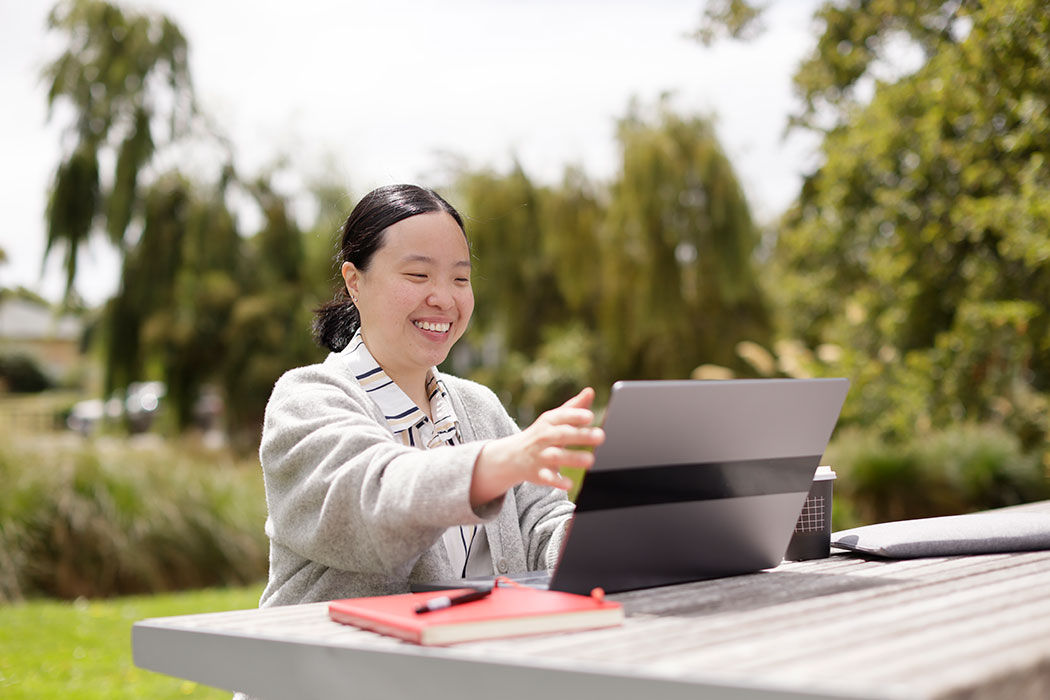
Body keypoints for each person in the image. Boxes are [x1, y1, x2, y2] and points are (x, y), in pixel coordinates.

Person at [257, 184, 605, 607]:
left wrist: (598, 546)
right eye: (418, 275)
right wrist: (498, 462)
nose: (443, 298)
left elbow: (541, 524)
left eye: (460, 278)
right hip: (338, 668)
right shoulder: (307, 400)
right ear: (354, 282)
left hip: (467, 664)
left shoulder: (478, 406)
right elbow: (376, 499)